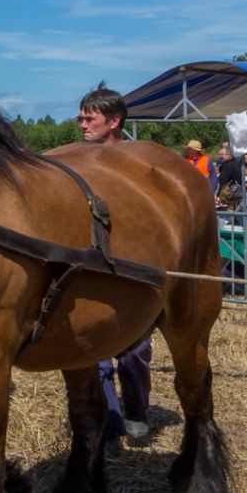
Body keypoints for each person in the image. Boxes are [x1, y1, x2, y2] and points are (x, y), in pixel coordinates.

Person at [76, 85, 152, 443]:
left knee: (136, 351)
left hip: (135, 267)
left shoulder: (138, 163)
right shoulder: (76, 163)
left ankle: (137, 409)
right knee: (95, 353)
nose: (82, 125)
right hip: (91, 267)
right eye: (81, 118)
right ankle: (109, 421)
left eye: (89, 118)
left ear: (115, 121)